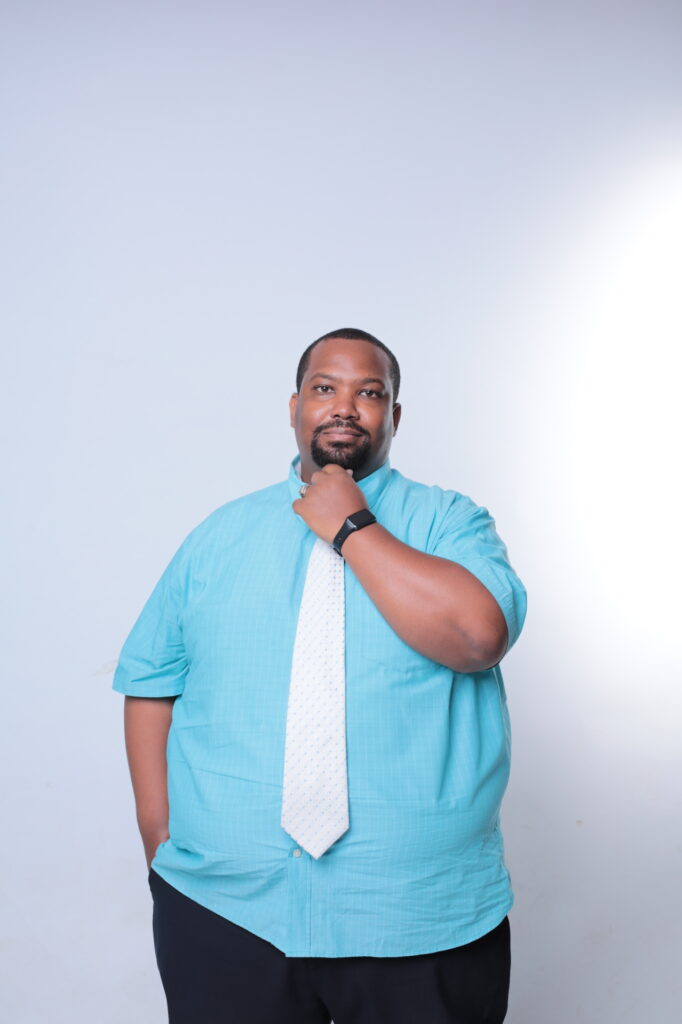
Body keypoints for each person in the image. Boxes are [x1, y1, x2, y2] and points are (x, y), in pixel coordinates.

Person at [113, 328, 527, 1024]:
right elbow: (151, 680)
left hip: (420, 915)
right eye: (324, 388)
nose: (345, 406)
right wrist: (160, 840)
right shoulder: (219, 535)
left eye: (370, 392)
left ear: (394, 416)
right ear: (295, 407)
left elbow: (477, 638)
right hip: (225, 909)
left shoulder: (450, 523)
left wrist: (352, 525)